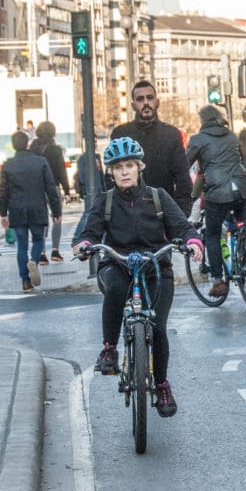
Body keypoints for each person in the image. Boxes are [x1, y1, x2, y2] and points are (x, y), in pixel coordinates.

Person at [73, 138, 203, 418]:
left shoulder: (158, 197)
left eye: (129, 165)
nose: (124, 172)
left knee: (157, 327)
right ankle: (109, 349)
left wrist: (193, 242)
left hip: (156, 267)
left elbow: (181, 226)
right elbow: (89, 232)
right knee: (116, 288)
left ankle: (162, 385)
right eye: (118, 167)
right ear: (111, 172)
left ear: (139, 167)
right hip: (117, 264)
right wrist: (84, 244)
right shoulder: (105, 200)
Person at [186, 105, 246, 299]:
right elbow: (241, 159)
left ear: (202, 120)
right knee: (244, 225)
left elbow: (184, 164)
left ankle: (217, 281)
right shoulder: (231, 135)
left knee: (212, 234)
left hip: (218, 193)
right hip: (242, 187)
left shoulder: (198, 140)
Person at [111, 80, 192, 215]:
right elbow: (112, 175)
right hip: (129, 212)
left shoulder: (171, 134)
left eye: (150, 98)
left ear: (157, 102)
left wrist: (182, 211)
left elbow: (182, 177)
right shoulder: (120, 134)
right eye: (140, 99)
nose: (146, 103)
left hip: (163, 211)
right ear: (133, 105)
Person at [0, 130, 62, 292]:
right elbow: (50, 188)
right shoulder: (40, 162)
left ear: (13, 145)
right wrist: (56, 211)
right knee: (38, 240)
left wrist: (3, 213)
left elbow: (4, 191)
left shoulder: (7, 165)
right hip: (37, 208)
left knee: (21, 245)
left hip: (17, 210)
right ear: (27, 143)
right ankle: (34, 260)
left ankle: (25, 282)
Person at [30, 121, 71, 263]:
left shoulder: (33, 149)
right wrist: (66, 190)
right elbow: (61, 171)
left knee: (41, 221)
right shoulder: (56, 149)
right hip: (53, 187)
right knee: (57, 218)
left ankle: (41, 253)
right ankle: (55, 251)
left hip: (37, 189)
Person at [71, 148, 105, 246]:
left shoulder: (97, 156)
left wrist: (103, 188)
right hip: (90, 190)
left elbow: (101, 175)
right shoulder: (83, 158)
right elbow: (82, 176)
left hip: (99, 190)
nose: (95, 143)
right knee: (88, 213)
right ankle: (77, 237)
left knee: (93, 213)